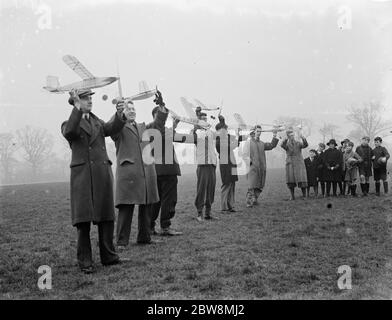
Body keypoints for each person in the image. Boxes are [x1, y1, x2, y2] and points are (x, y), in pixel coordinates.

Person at [61, 89, 126, 274]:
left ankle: (109, 257)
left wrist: (119, 114)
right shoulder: (68, 122)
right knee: (83, 221)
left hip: (101, 175)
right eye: (85, 98)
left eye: (90, 98)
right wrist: (77, 109)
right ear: (75, 101)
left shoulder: (97, 121)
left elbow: (112, 128)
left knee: (106, 217)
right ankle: (85, 261)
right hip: (82, 177)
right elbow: (71, 132)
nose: (90, 101)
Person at [111, 100, 159, 249]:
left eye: (133, 108)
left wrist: (162, 108)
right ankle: (122, 241)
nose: (132, 111)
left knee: (146, 204)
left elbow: (157, 124)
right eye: (128, 109)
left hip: (145, 172)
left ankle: (144, 237)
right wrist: (119, 114)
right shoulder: (118, 127)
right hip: (129, 173)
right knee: (126, 208)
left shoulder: (142, 127)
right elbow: (113, 127)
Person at [148, 91, 193, 236]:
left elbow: (167, 133)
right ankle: (165, 227)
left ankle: (150, 226)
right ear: (158, 117)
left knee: (156, 200)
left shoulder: (150, 130)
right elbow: (167, 134)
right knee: (169, 199)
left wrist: (175, 123)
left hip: (157, 171)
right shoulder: (159, 129)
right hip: (168, 171)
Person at [242, 125, 279, 207]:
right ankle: (249, 202)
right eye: (257, 131)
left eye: (260, 131)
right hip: (252, 168)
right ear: (253, 132)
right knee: (252, 185)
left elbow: (271, 145)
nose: (259, 133)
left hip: (261, 168)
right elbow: (244, 155)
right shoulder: (248, 143)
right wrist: (250, 163)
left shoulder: (262, 143)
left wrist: (274, 135)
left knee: (259, 185)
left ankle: (255, 200)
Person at [192, 112, 218, 221]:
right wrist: (196, 124)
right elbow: (193, 135)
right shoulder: (196, 132)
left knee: (211, 189)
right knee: (201, 190)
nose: (205, 121)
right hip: (202, 165)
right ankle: (199, 213)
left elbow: (218, 134)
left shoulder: (210, 132)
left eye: (206, 119)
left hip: (212, 164)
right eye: (202, 119)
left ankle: (208, 213)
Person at [215, 116, 241, 213]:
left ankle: (231, 206)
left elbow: (235, 142)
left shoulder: (226, 138)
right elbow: (232, 145)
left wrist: (239, 134)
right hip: (225, 165)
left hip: (232, 163)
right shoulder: (219, 141)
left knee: (232, 184)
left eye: (226, 129)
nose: (226, 131)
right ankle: (224, 207)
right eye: (224, 130)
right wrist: (237, 137)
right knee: (226, 184)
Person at [281, 129, 308, 200]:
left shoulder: (298, 143)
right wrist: (285, 139)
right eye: (290, 135)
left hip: (299, 163)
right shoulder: (286, 144)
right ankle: (292, 196)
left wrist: (303, 138)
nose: (292, 137)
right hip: (290, 163)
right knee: (290, 180)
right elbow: (282, 145)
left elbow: (305, 145)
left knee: (302, 179)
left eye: (293, 135)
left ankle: (304, 195)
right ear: (288, 136)